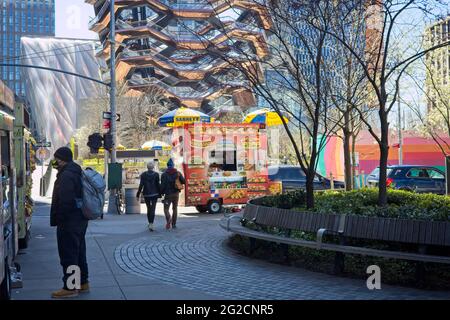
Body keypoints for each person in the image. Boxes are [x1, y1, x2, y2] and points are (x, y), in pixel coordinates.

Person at [50, 147, 89, 298]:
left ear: (62, 159)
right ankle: (83, 282)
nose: (55, 161)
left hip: (69, 221)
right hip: (79, 219)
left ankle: (71, 287)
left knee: (69, 254)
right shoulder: (76, 171)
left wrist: (61, 219)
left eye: (56, 158)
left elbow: (65, 201)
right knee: (79, 252)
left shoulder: (66, 175)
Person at [160, 158, 185, 229]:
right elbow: (184, 182)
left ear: (167, 166)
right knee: (175, 208)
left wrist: (161, 193)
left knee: (166, 209)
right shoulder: (178, 173)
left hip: (168, 195)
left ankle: (169, 219)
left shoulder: (164, 174)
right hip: (176, 194)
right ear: (173, 165)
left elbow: (162, 185)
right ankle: (174, 224)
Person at [136, 161, 160, 231]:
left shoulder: (143, 175)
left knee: (148, 208)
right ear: (153, 167)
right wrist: (160, 193)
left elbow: (141, 185)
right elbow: (158, 185)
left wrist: (138, 194)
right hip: (155, 194)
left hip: (146, 194)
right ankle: (151, 224)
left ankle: (149, 223)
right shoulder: (156, 174)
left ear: (147, 167)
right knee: (153, 209)